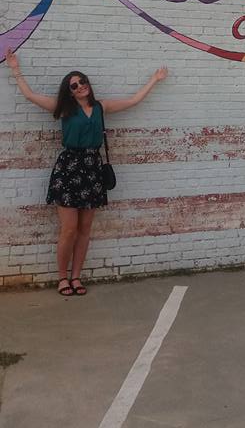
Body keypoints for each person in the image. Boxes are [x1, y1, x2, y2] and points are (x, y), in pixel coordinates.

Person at [5, 48, 168, 296]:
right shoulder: (64, 108)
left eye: (82, 82)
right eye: (74, 85)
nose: (80, 86)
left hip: (92, 168)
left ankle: (77, 277)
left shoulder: (101, 107)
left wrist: (154, 80)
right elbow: (29, 96)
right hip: (69, 169)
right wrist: (15, 69)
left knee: (85, 229)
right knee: (69, 229)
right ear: (69, 91)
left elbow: (133, 101)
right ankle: (62, 278)